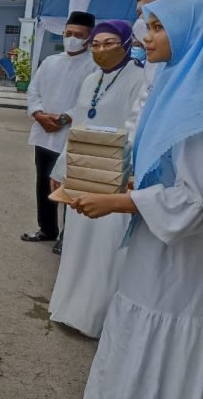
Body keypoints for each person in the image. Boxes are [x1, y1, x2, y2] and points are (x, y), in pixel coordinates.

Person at [72, 0, 203, 399]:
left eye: (160, 27)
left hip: (177, 262)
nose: (147, 36)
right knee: (134, 330)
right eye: (148, 25)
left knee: (159, 342)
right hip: (154, 246)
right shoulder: (175, 86)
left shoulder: (195, 108)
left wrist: (119, 202)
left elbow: (195, 201)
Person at [47, 20, 144, 338]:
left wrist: (121, 170)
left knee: (105, 248)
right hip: (82, 173)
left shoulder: (139, 79)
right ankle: (68, 307)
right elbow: (75, 128)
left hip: (112, 177)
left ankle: (95, 318)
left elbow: (134, 129)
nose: (101, 49)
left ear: (127, 44)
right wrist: (61, 169)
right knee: (77, 242)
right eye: (97, 44)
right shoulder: (90, 80)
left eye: (109, 43)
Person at [21, 11, 97, 254]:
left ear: (88, 37)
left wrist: (65, 117)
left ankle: (67, 236)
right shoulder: (51, 62)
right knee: (43, 184)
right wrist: (39, 114)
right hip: (44, 134)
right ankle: (47, 229)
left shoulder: (95, 65)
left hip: (70, 136)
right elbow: (33, 91)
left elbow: (90, 101)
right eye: (68, 33)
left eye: (78, 35)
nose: (72, 38)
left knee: (68, 187)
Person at [125, 0, 198, 143]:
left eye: (157, 24)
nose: (143, 21)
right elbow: (142, 109)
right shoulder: (155, 60)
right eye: (140, 14)